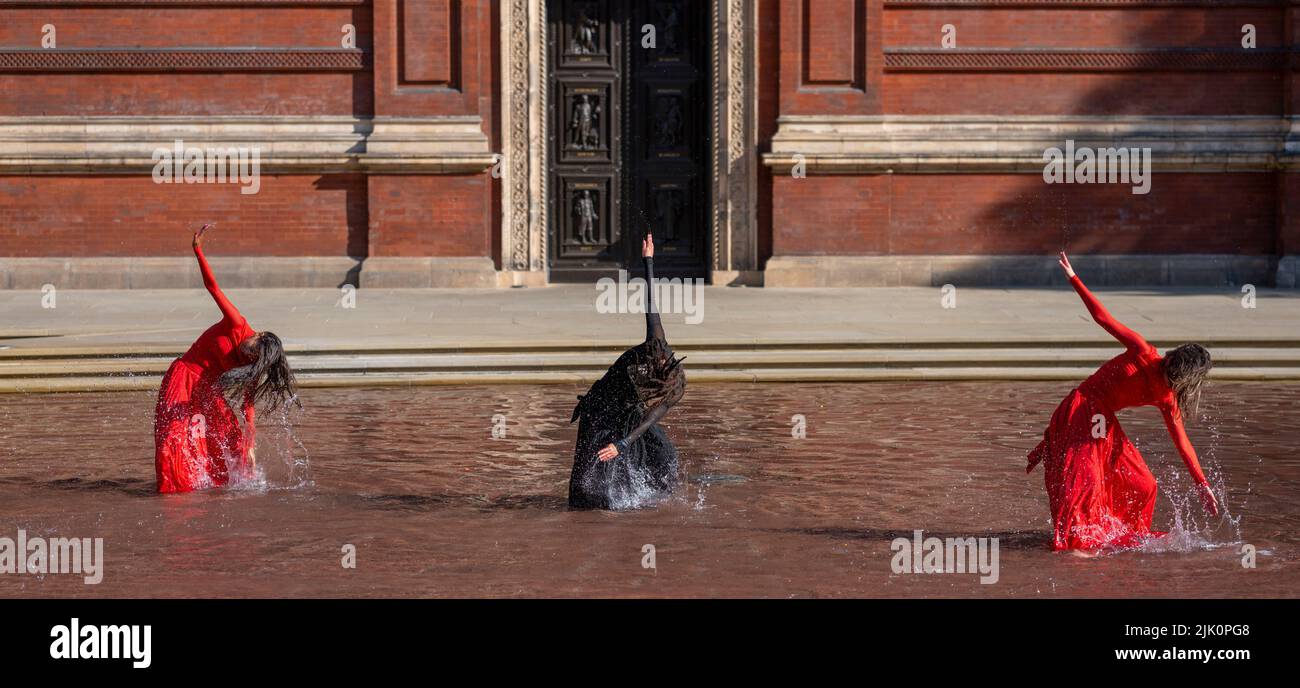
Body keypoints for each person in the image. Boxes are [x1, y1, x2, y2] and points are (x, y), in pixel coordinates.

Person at [1027, 252, 1220, 554]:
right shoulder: (1143, 351)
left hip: (1102, 419)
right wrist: (1073, 277)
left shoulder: (1168, 398)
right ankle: (1079, 545)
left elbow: (1183, 445)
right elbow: (1103, 318)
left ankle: (1111, 536)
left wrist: (1203, 486)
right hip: (1082, 408)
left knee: (1144, 485)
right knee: (1085, 483)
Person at [154, 224, 297, 493]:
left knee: (230, 436)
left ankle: (216, 486)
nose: (249, 354)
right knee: (175, 437)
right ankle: (174, 489)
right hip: (184, 377)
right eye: (253, 348)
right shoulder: (236, 324)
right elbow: (214, 288)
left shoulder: (252, 363)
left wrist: (250, 446)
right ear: (260, 333)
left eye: (255, 357)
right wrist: (198, 251)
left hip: (208, 389)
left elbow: (248, 407)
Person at [568, 233, 685, 509]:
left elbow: (647, 421)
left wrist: (622, 443)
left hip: (631, 414)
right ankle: (585, 505)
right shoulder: (656, 341)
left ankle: (649, 496)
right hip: (603, 402)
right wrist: (648, 261)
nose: (651, 358)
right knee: (596, 463)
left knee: (665, 453)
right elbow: (650, 303)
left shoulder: (674, 388)